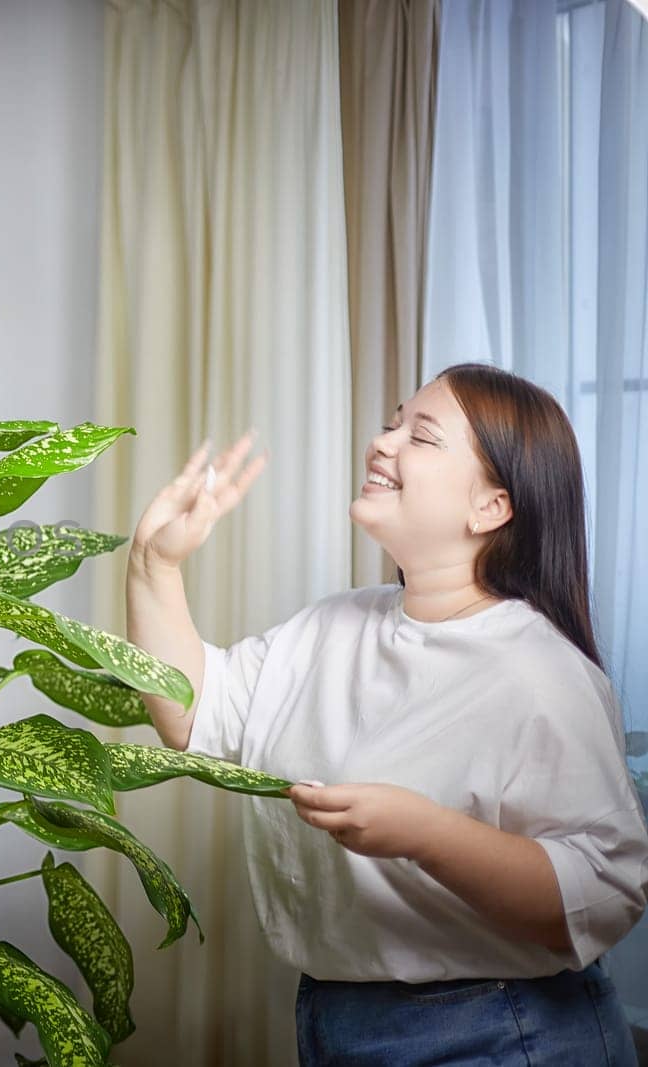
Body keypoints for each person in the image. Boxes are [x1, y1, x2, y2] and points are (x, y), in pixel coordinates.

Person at [126, 363, 648, 1065]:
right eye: (393, 422)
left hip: (500, 1031)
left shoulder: (540, 671)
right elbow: (191, 714)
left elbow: (606, 889)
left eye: (420, 436)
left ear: (490, 507)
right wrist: (153, 565)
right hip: (336, 1019)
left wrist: (425, 832)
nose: (383, 442)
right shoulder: (333, 624)